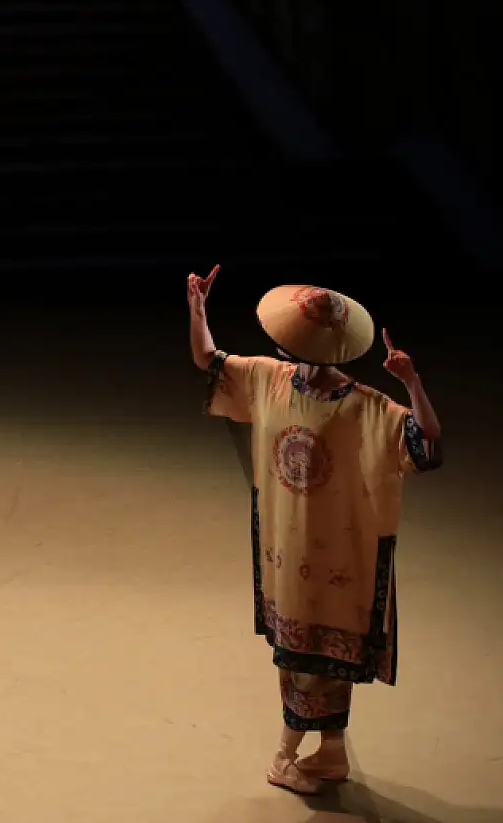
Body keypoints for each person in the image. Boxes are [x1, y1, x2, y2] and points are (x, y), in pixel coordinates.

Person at [188, 265, 443, 794]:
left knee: (315, 657)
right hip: (288, 545)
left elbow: (426, 444)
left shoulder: (365, 406)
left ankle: (284, 756)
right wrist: (198, 310)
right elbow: (209, 360)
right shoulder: (270, 379)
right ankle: (330, 754)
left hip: (337, 553)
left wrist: (412, 383)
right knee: (309, 654)